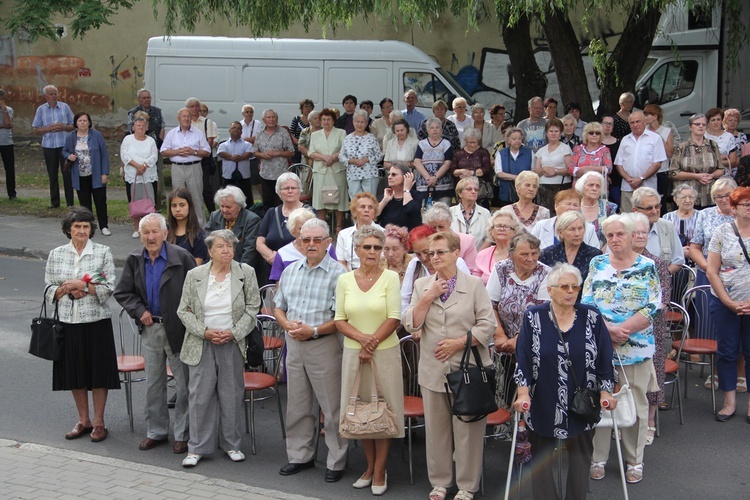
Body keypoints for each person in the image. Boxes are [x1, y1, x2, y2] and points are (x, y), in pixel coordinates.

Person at [403, 231, 496, 500]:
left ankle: (467, 486)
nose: (434, 258)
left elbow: (487, 325)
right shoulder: (422, 285)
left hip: (468, 370)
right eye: (430, 253)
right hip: (433, 371)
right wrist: (427, 296)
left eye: (441, 252)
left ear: (456, 253)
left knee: (468, 431)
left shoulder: (474, 285)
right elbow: (411, 323)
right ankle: (440, 483)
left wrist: (459, 342)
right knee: (437, 432)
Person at [514, 263, 615, 500]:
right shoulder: (533, 317)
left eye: (575, 287)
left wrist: (606, 393)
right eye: (564, 287)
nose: (570, 291)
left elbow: (605, 358)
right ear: (550, 290)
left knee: (580, 459)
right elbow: (523, 360)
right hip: (542, 399)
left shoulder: (591, 316)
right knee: (541, 458)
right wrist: (523, 394)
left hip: (582, 402)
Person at [583, 214, 661, 484]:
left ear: (631, 236)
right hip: (600, 347)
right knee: (601, 403)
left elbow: (652, 306)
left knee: (636, 406)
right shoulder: (597, 263)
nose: (615, 239)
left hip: (636, 348)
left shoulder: (647, 265)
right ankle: (599, 458)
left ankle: (634, 460)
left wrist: (621, 331)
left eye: (620, 234)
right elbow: (587, 300)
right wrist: (607, 332)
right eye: (610, 235)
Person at [271, 218, 348, 481]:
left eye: (317, 240)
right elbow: (278, 306)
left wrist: (313, 331)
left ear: (328, 243)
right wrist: (287, 325)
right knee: (298, 404)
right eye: (306, 240)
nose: (311, 244)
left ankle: (336, 462)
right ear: (300, 242)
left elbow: (341, 318)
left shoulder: (339, 274)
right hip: (294, 344)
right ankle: (300, 456)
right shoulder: (290, 270)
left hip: (323, 345)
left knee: (332, 405)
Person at [176, 229, 258, 467]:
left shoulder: (246, 273)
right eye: (221, 246)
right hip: (201, 341)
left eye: (230, 246)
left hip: (232, 341)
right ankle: (196, 448)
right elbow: (183, 310)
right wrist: (204, 331)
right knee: (200, 396)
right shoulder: (195, 274)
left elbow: (253, 308)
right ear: (210, 251)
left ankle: (232, 444)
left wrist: (233, 333)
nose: (226, 250)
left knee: (231, 394)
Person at [114, 213, 196, 454]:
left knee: (183, 384)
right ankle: (156, 431)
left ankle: (183, 434)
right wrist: (139, 311)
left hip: (178, 329)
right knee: (153, 384)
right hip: (150, 329)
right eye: (146, 232)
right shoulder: (134, 259)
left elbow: (198, 290)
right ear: (140, 235)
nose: (151, 237)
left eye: (155, 232)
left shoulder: (181, 257)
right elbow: (123, 292)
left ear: (165, 233)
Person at [334, 226, 404, 495]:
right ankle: (369, 465)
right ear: (357, 250)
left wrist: (371, 343)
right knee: (361, 409)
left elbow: (394, 317)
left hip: (384, 352)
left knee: (383, 409)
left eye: (378, 247)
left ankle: (380, 470)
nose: (373, 252)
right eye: (367, 247)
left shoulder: (390, 278)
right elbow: (340, 319)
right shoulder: (345, 280)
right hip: (354, 353)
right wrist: (363, 341)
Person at [45, 207, 120, 443]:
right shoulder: (56, 254)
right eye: (77, 226)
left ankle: (99, 422)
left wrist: (84, 286)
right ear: (69, 229)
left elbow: (108, 288)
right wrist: (67, 289)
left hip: (96, 321)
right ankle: (83, 420)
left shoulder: (103, 252)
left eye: (86, 226)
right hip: (67, 322)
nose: (81, 230)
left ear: (91, 230)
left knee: (98, 373)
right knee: (74, 373)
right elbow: (48, 289)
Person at [487, 232, 551, 407]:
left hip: (534, 342)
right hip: (501, 342)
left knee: (530, 392)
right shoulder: (501, 268)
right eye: (524, 254)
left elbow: (542, 313)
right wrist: (500, 335)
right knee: (502, 389)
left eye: (534, 253)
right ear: (512, 254)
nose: (531, 258)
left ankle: (524, 430)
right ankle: (503, 429)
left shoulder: (546, 273)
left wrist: (519, 339)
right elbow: (489, 305)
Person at [706, 186, 750, 422]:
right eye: (747, 205)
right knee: (727, 351)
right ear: (734, 209)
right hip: (724, 302)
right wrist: (728, 302)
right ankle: (729, 402)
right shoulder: (722, 232)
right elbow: (712, 271)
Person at [629, 212, 672, 445]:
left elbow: (662, 300)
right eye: (635, 232)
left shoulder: (657, 264)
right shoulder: (616, 261)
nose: (640, 236)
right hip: (622, 328)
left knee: (652, 371)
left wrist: (637, 319)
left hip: (649, 326)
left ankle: (650, 421)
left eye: (644, 232)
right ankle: (626, 418)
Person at [160, 108, 211, 225]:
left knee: (196, 198)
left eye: (188, 116)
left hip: (194, 168)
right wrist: (176, 152)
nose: (186, 119)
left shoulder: (198, 133)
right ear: (178, 118)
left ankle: (200, 228)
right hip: (177, 168)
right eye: (184, 116)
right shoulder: (172, 133)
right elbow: (163, 151)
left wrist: (194, 152)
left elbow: (207, 151)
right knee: (177, 198)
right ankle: (179, 226)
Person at [62, 112, 110, 235]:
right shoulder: (71, 137)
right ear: (76, 123)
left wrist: (104, 173)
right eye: (80, 121)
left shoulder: (96, 135)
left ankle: (104, 226)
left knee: (100, 201)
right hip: (80, 175)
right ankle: (89, 227)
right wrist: (69, 156)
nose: (82, 123)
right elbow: (65, 151)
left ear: (89, 123)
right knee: (85, 204)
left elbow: (104, 154)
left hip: (95, 174)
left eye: (85, 121)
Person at [255, 173, 306, 285]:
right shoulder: (271, 213)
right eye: (286, 188)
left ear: (299, 190)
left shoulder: (308, 213)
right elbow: (259, 242)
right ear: (279, 193)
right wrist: (274, 258)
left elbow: (310, 240)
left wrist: (281, 258)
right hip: (272, 269)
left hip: (298, 270)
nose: (290, 191)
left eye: (293, 188)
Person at [615, 111, 668, 213]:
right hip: (628, 186)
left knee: (647, 216)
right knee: (627, 217)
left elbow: (657, 163)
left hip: (647, 186)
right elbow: (619, 163)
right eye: (632, 122)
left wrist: (641, 178)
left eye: (638, 121)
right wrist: (629, 179)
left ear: (644, 122)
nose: (635, 125)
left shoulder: (655, 138)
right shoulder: (625, 140)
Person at [689, 178, 738, 287]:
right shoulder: (705, 214)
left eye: (727, 195)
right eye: (719, 196)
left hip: (738, 274)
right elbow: (694, 247)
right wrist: (709, 269)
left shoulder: (744, 214)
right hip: (708, 274)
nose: (724, 199)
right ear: (713, 198)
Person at [669, 113, 723, 210]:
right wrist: (696, 176)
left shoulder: (712, 145)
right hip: (687, 197)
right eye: (697, 124)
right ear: (690, 127)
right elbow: (673, 172)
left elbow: (721, 169)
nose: (701, 126)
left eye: (704, 124)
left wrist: (711, 175)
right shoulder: (682, 147)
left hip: (708, 196)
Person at [33, 84, 75, 209]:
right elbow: (35, 129)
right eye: (51, 94)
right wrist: (47, 128)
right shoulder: (41, 109)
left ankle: (70, 202)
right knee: (52, 174)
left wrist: (63, 127)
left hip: (64, 146)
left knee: (67, 173)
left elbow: (73, 125)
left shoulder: (65, 107)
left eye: (55, 93)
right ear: (46, 96)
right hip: (49, 145)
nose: (54, 96)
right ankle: (55, 202)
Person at [269, 207, 337, 281]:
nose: (306, 230)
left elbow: (335, 272)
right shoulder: (283, 253)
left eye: (309, 226)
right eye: (301, 228)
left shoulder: (326, 246)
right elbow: (280, 286)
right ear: (292, 230)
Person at [539, 210, 602, 288]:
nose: (577, 234)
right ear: (561, 232)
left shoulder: (595, 255)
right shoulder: (548, 254)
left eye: (580, 228)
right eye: (572, 229)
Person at [309, 108, 348, 233]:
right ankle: (322, 227)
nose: (326, 122)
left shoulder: (341, 133)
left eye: (329, 119)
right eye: (323, 119)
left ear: (333, 120)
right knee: (320, 200)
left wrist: (332, 157)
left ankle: (338, 227)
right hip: (321, 170)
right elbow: (311, 152)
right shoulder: (315, 135)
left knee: (339, 199)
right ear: (320, 121)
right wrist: (324, 157)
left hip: (336, 170)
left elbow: (345, 150)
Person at [631, 187, 685, 274]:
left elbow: (678, 260)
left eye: (657, 206)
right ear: (635, 210)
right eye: (649, 208)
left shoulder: (667, 226)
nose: (655, 211)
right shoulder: (625, 227)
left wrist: (660, 276)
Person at [122, 111, 159, 238]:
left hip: (148, 175)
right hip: (133, 176)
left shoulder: (151, 141)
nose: (141, 128)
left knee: (149, 202)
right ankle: (136, 227)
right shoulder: (127, 139)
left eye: (143, 126)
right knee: (135, 201)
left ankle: (149, 227)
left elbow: (154, 156)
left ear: (147, 127)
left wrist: (144, 166)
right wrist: (137, 166)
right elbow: (124, 155)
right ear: (133, 127)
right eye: (138, 126)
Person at [126, 89, 165, 208]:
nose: (147, 100)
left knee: (158, 179)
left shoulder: (157, 111)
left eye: (148, 97)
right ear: (139, 99)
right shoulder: (133, 112)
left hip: (155, 148)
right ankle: (139, 207)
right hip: (137, 152)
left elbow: (162, 127)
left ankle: (158, 204)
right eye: (144, 98)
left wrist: (158, 144)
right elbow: (129, 131)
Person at [205, 186, 262, 267]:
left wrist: (239, 271)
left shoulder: (252, 220)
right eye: (222, 206)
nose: (224, 210)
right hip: (216, 266)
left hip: (240, 267)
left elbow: (250, 251)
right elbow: (207, 242)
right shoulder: (215, 216)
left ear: (239, 206)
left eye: (228, 207)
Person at [530, 189, 600, 250]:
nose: (572, 208)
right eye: (568, 204)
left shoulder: (589, 228)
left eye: (575, 205)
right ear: (556, 206)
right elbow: (530, 247)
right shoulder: (541, 225)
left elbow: (595, 254)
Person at [255, 109, 295, 212]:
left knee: (281, 201)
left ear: (277, 119)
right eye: (269, 117)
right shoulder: (259, 133)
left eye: (274, 117)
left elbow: (291, 152)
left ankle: (282, 222)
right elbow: (255, 152)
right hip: (265, 173)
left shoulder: (283, 132)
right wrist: (262, 154)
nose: (271, 119)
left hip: (280, 174)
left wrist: (276, 153)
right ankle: (269, 223)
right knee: (267, 202)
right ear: (264, 120)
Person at [185, 98, 219, 214]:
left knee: (206, 189)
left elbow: (209, 141)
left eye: (196, 106)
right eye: (191, 106)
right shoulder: (185, 123)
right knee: (190, 189)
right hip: (188, 160)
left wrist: (197, 152)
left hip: (203, 160)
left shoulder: (206, 122)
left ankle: (212, 213)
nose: (194, 108)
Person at [339, 109, 383, 198]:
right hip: (353, 174)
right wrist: (351, 160)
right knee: (355, 202)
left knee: (369, 200)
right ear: (353, 122)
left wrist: (366, 159)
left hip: (369, 174)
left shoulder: (371, 138)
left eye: (362, 122)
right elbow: (341, 156)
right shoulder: (347, 138)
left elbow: (379, 155)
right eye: (357, 121)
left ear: (366, 124)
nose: (359, 124)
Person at [644, 104, 678, 215]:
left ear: (655, 116)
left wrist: (659, 138)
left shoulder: (666, 131)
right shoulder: (644, 131)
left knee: (660, 199)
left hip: (661, 170)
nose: (645, 117)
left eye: (648, 115)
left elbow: (669, 152)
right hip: (647, 170)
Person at [533, 118, 572, 213]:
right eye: (551, 131)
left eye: (556, 131)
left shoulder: (565, 149)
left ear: (560, 133)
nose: (553, 134)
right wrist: (544, 170)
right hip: (543, 188)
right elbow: (536, 171)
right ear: (546, 133)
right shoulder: (541, 150)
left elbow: (570, 169)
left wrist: (555, 171)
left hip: (561, 186)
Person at [424, 202, 478, 271]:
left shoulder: (467, 241)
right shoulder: (425, 242)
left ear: (449, 223)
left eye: (441, 227)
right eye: (433, 228)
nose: (438, 231)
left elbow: (471, 270)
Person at [413, 117, 454, 207]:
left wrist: (435, 177)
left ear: (441, 129)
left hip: (443, 187)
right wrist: (428, 178)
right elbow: (417, 162)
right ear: (427, 130)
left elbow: (448, 163)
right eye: (432, 128)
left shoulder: (446, 143)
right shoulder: (422, 144)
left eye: (437, 127)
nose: (434, 130)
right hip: (424, 186)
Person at [337, 192, 383, 270]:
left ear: (374, 212)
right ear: (354, 212)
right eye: (362, 207)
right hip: (350, 277)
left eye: (370, 207)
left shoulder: (384, 233)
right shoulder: (343, 234)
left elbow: (384, 262)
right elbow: (341, 262)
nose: (366, 210)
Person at [451, 129, 492, 209]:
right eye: (470, 142)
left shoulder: (483, 152)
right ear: (466, 141)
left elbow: (486, 168)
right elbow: (453, 171)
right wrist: (461, 171)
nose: (472, 145)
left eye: (475, 142)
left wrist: (471, 173)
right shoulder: (458, 153)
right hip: (463, 189)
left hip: (480, 191)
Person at [473, 211, 518, 285]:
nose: (501, 229)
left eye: (506, 226)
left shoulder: (519, 254)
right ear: (491, 231)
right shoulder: (482, 254)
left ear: (514, 232)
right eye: (498, 226)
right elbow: (474, 283)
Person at [576, 171, 618, 247]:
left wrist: (602, 253)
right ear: (582, 186)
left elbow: (614, 233)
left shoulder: (609, 208)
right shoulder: (574, 206)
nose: (594, 188)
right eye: (591, 185)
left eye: (598, 186)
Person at [217, 121, 255, 205]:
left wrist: (240, 158)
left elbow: (249, 153)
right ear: (229, 130)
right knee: (227, 197)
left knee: (246, 198)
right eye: (234, 128)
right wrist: (231, 157)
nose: (236, 130)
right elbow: (222, 153)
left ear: (241, 132)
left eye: (239, 128)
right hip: (228, 176)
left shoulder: (247, 144)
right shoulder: (223, 145)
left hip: (244, 176)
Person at [167, 188, 208, 265]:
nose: (178, 209)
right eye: (174, 206)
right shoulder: (165, 231)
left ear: (189, 206)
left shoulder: (198, 234)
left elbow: (195, 266)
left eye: (182, 205)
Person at [494, 127, 533, 208]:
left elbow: (533, 171)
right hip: (506, 193)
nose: (517, 141)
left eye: (519, 138)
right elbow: (499, 173)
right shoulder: (501, 153)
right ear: (508, 140)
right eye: (514, 139)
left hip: (525, 192)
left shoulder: (529, 152)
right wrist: (516, 177)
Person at [450, 177, 491, 250]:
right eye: (469, 189)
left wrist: (477, 255)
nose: (473, 192)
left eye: (476, 190)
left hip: (478, 256)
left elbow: (489, 238)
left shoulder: (485, 213)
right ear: (460, 193)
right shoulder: (450, 212)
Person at [378, 163, 421, 231]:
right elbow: (374, 218)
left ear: (406, 176)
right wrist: (385, 200)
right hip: (389, 238)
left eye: (394, 174)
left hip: (409, 238)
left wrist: (406, 190)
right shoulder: (386, 196)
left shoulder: (415, 195)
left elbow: (411, 210)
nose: (389, 177)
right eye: (389, 174)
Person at [663, 183, 699, 257]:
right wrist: (679, 250)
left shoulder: (702, 216)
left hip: (698, 256)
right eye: (683, 197)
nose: (688, 200)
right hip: (673, 257)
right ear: (675, 199)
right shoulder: (667, 217)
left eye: (691, 197)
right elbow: (663, 241)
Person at [705, 107, 739, 175]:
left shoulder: (729, 137)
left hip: (724, 177)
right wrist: (721, 159)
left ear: (722, 121)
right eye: (713, 120)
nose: (716, 122)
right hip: (705, 175)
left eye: (718, 119)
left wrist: (713, 160)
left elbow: (733, 161)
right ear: (708, 122)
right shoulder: (703, 136)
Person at [601, 114, 622, 207]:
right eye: (605, 123)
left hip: (616, 179)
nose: (607, 126)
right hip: (601, 180)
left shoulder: (619, 142)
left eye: (610, 124)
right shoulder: (595, 142)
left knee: (616, 205)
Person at [0, 88, 17, 200]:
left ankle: (12, 194)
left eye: (2, 98)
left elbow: (8, 124)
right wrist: (4, 126)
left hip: (6, 142)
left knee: (9, 168)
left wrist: (4, 109)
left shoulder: (8, 109)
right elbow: (6, 125)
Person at [240, 104, 263, 187]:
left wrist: (244, 139)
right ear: (243, 113)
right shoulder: (239, 124)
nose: (249, 113)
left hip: (254, 156)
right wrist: (251, 139)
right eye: (247, 112)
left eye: (251, 112)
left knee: (257, 181)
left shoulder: (258, 123)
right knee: (244, 180)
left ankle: (262, 199)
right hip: (243, 155)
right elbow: (237, 139)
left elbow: (258, 138)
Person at [290, 99, 314, 163]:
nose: (308, 109)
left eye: (310, 107)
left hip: (310, 149)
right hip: (297, 150)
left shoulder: (314, 120)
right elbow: (291, 134)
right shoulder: (296, 119)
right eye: (306, 106)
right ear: (301, 108)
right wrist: (300, 143)